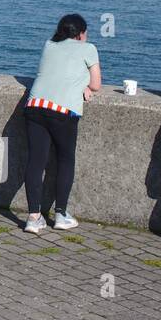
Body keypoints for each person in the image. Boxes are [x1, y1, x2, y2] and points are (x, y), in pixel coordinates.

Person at [22, 13, 101, 233]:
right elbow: (96, 84)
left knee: (35, 162)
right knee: (66, 160)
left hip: (35, 106)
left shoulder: (48, 45)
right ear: (81, 34)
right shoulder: (89, 48)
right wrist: (85, 86)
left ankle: (33, 217)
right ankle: (61, 215)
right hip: (62, 111)